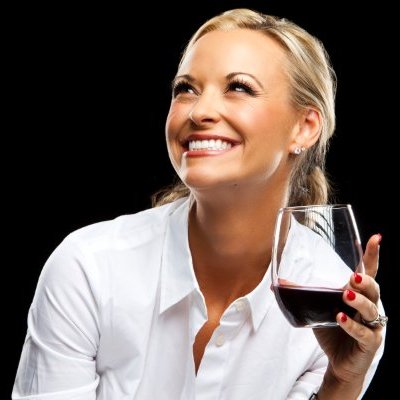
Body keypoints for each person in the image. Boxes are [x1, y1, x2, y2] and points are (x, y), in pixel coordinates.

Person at [12, 8, 386, 400]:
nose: (199, 111)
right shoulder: (87, 268)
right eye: (186, 89)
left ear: (304, 127)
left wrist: (341, 382)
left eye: (239, 87)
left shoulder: (343, 313)